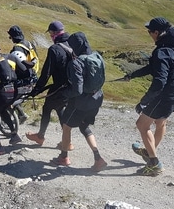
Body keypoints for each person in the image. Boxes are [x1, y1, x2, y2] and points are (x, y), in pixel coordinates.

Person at [125, 17, 174, 176]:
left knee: (142, 125)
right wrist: (133, 75)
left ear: (157, 32)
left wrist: (144, 102)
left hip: (164, 95)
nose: (149, 34)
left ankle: (154, 163)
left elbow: (160, 81)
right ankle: (149, 151)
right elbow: (155, 67)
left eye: (149, 32)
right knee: (161, 122)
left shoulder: (162, 51)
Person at [51, 32, 108, 172]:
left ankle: (64, 157)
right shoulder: (97, 56)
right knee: (83, 126)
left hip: (80, 103)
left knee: (66, 126)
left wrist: (64, 93)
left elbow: (77, 89)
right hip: (96, 99)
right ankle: (98, 158)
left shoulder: (76, 62)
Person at [25, 20, 71, 148]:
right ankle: (67, 141)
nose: (50, 37)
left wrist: (37, 90)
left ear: (53, 33)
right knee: (60, 108)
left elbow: (46, 73)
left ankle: (41, 137)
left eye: (50, 34)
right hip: (71, 87)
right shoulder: (71, 44)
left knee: (47, 109)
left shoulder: (55, 49)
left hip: (59, 87)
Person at [7, 25, 39, 123]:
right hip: (33, 74)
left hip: (24, 77)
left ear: (13, 36)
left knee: (9, 96)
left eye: (10, 37)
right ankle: (21, 114)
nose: (10, 39)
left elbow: (24, 65)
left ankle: (19, 115)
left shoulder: (18, 48)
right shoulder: (28, 43)